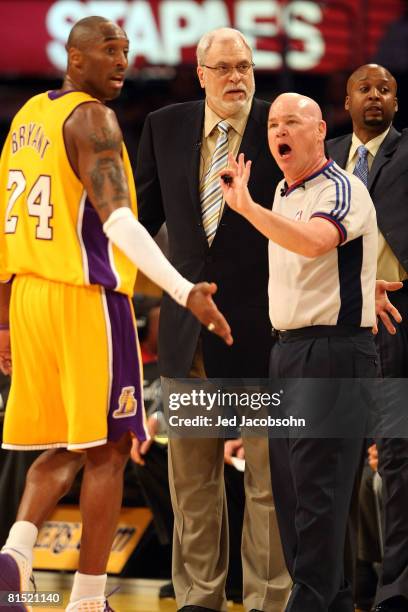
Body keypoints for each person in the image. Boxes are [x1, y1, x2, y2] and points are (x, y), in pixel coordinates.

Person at [0, 16, 232, 612]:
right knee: (108, 449)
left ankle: (18, 553)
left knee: (70, 443)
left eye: (126, 51)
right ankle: (87, 598)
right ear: (74, 59)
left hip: (29, 297)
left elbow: (4, 234)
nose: (122, 61)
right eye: (109, 51)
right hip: (85, 297)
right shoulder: (93, 118)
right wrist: (184, 291)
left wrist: (4, 321)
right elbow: (121, 223)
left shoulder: (28, 117)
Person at [220, 92, 401, 612]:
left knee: (317, 495)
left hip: (334, 355)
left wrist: (247, 208)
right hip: (290, 353)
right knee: (295, 493)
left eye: (293, 122)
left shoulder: (344, 187)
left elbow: (316, 242)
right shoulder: (280, 190)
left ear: (321, 130)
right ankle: (332, 599)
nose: (281, 130)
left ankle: (308, 602)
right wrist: (364, 283)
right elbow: (321, 265)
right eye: (274, 122)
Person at [135, 26, 291, 612]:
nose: (236, 77)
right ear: (200, 73)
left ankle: (267, 601)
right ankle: (200, 598)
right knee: (193, 485)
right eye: (223, 67)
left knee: (269, 485)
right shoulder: (165, 126)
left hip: (267, 333)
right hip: (188, 333)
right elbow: (139, 225)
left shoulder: (284, 123)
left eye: (245, 66)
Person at [326, 64, 408, 612]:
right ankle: (342, 586)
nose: (374, 96)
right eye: (364, 88)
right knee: (337, 459)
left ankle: (395, 590)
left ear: (395, 104)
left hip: (399, 319)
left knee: (398, 457)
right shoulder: (322, 154)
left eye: (385, 89)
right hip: (337, 321)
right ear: (347, 99)